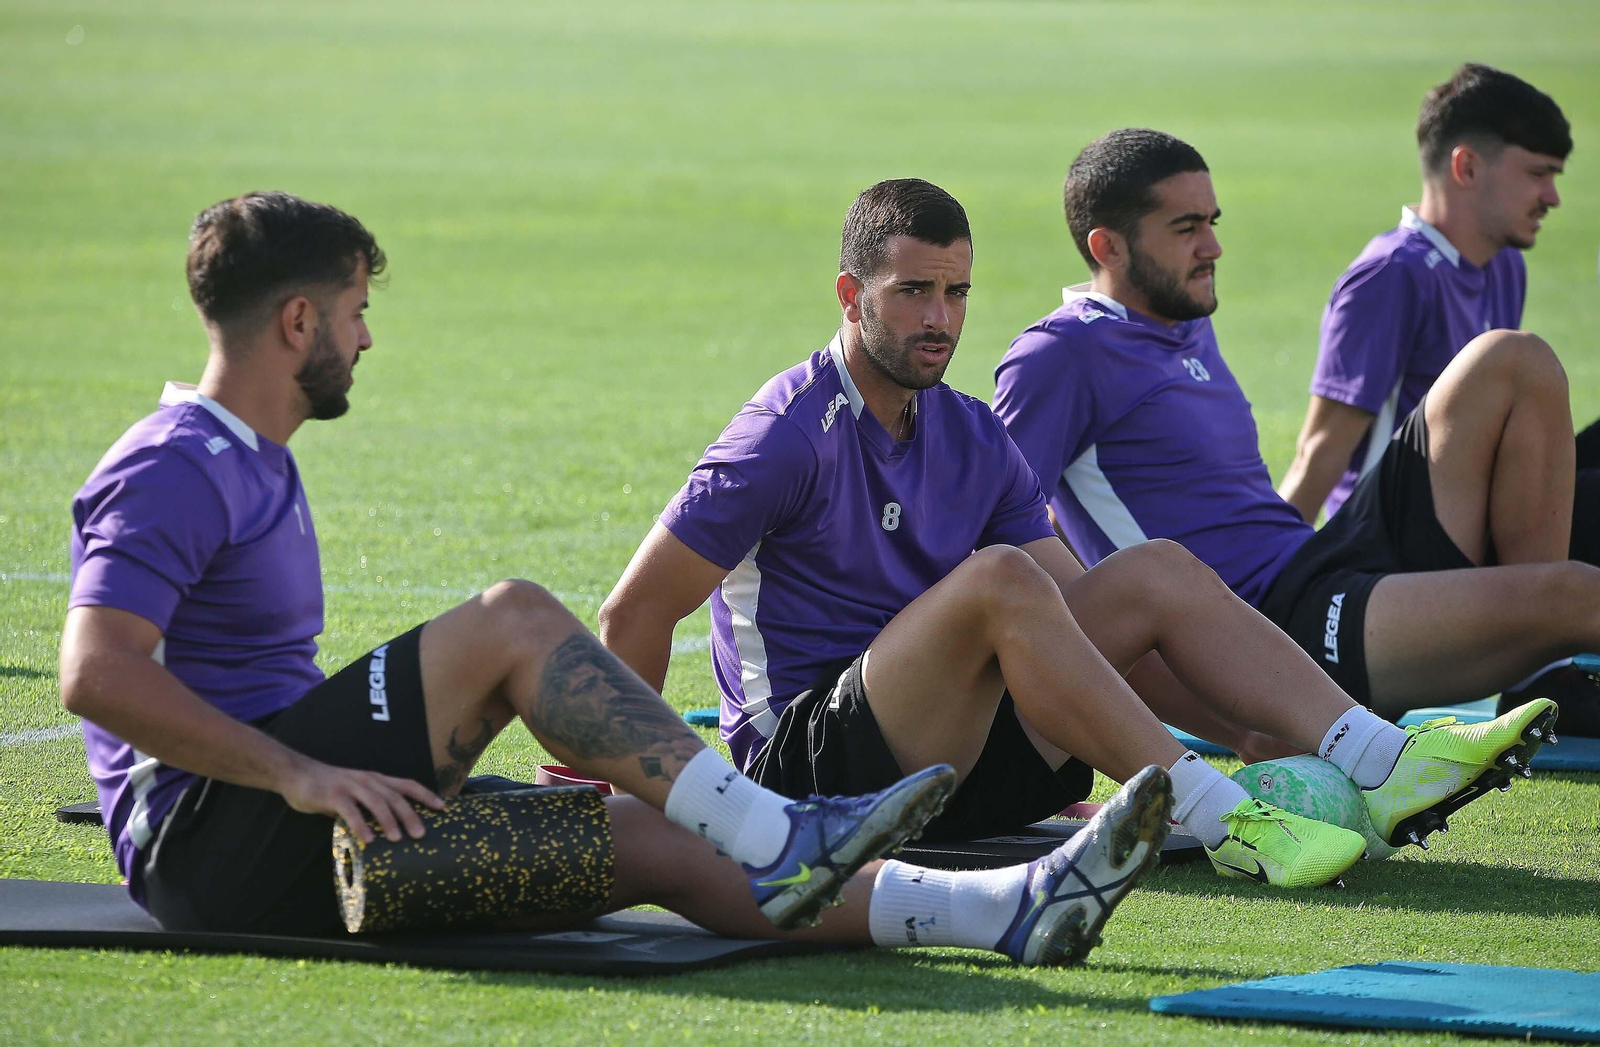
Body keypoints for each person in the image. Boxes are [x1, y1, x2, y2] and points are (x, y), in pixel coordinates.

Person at [58, 191, 1176, 969]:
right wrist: (298, 771)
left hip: (303, 841)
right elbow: (95, 675)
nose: (364, 339)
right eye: (354, 313)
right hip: (211, 837)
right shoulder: (176, 463)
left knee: (655, 840)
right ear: (297, 319)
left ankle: (1000, 909)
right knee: (512, 620)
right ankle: (779, 827)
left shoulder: (255, 459)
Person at [600, 178, 1552, 890]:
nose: (940, 320)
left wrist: (1248, 728)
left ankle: (1381, 758)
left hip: (958, 771)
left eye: (957, 293)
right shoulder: (782, 434)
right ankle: (1223, 820)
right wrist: (660, 805)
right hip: (810, 778)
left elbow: (1084, 618)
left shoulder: (969, 432)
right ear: (850, 296)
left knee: (1149, 572)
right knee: (1002, 579)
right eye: (912, 292)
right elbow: (631, 614)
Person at [990, 129, 1591, 745]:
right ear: (1108, 247)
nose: (1213, 246)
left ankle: (1541, 673)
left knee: (1513, 360)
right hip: (1273, 628)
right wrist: (1226, 723)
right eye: (1186, 228)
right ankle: (1541, 650)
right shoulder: (1061, 353)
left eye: (1212, 222)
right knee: (1574, 595)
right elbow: (998, 532)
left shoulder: (1181, 321)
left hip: (1318, 561)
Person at [1273, 64, 1597, 723]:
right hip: (1386, 553)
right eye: (1538, 174)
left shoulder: (1503, 265)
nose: (1553, 196)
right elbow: (1319, 451)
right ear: (1467, 166)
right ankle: (1542, 669)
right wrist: (1258, 616)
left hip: (1475, 522)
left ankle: (1543, 658)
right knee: (1519, 360)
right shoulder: (1390, 276)